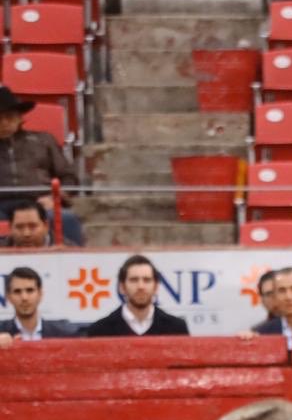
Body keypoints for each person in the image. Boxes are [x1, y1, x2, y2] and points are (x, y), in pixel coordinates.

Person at [0, 87, 84, 246]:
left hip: (40, 202)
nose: (4, 123)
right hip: (1, 205)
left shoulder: (43, 141)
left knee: (67, 219)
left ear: (20, 118)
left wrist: (55, 198)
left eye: (9, 117)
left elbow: (69, 178)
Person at [85, 255, 190, 337]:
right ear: (122, 287)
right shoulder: (100, 331)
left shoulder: (176, 329)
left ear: (156, 287)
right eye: (134, 280)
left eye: (147, 280)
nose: (141, 286)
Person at [0, 267, 81, 347]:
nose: (24, 297)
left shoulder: (63, 334)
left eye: (30, 290)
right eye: (17, 291)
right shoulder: (1, 332)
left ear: (40, 294)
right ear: (8, 297)